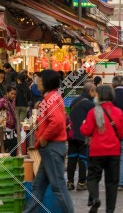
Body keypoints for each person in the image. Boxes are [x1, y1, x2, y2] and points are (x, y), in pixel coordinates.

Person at [24, 69, 74, 213]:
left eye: (39, 79)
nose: (37, 82)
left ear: (46, 82)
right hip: (49, 149)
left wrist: (44, 138)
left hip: (52, 147)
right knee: (38, 186)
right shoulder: (50, 98)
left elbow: (57, 122)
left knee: (58, 187)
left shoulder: (51, 98)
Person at [80, 85, 123, 213]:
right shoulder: (118, 112)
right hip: (114, 152)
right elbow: (121, 134)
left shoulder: (93, 112)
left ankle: (95, 198)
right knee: (112, 183)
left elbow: (86, 130)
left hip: (97, 151)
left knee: (93, 177)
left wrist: (84, 124)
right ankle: (110, 210)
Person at [67, 82, 96, 191]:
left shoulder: (74, 101)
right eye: (94, 91)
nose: (95, 94)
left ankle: (70, 182)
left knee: (72, 158)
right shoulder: (90, 105)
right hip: (84, 136)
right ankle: (81, 182)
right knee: (83, 159)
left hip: (72, 135)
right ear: (90, 91)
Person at [0, 86, 17, 155]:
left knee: (13, 149)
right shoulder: (2, 101)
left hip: (12, 128)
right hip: (5, 129)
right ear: (7, 93)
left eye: (15, 94)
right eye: (12, 93)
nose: (13, 95)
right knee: (5, 149)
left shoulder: (13, 101)